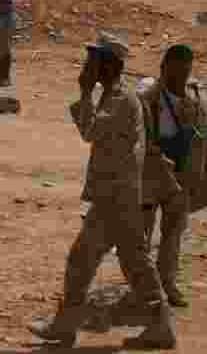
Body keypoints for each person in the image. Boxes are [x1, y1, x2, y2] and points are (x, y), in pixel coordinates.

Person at [29, 30, 176, 349]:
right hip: (116, 195)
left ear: (108, 65)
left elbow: (90, 131)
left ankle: (66, 327)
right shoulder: (114, 95)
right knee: (131, 262)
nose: (87, 67)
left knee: (87, 260)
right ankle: (158, 326)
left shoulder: (121, 99)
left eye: (93, 61)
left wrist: (83, 92)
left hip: (116, 198)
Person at [113, 44, 207, 318]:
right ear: (164, 68)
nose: (182, 77)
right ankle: (143, 289)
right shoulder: (147, 97)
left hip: (181, 177)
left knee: (173, 235)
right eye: (177, 71)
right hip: (149, 175)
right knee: (141, 236)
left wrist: (198, 175)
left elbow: (202, 140)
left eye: (187, 71)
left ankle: (167, 284)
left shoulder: (196, 99)